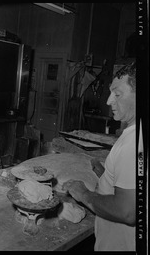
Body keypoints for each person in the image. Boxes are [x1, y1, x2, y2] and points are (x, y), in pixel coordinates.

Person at [63, 62, 136, 251]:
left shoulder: (133, 142)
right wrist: (107, 175)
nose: (109, 101)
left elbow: (127, 211)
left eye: (117, 94)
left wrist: (84, 194)